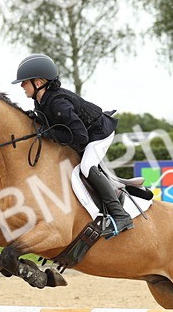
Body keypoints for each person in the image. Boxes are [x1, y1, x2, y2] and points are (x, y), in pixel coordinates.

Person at [11, 53, 133, 236]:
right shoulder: (40, 101)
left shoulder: (59, 103)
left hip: (98, 134)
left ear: (38, 82)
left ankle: (120, 214)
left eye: (24, 81)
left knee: (86, 166)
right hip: (85, 135)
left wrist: (48, 132)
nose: (21, 85)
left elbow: (80, 137)